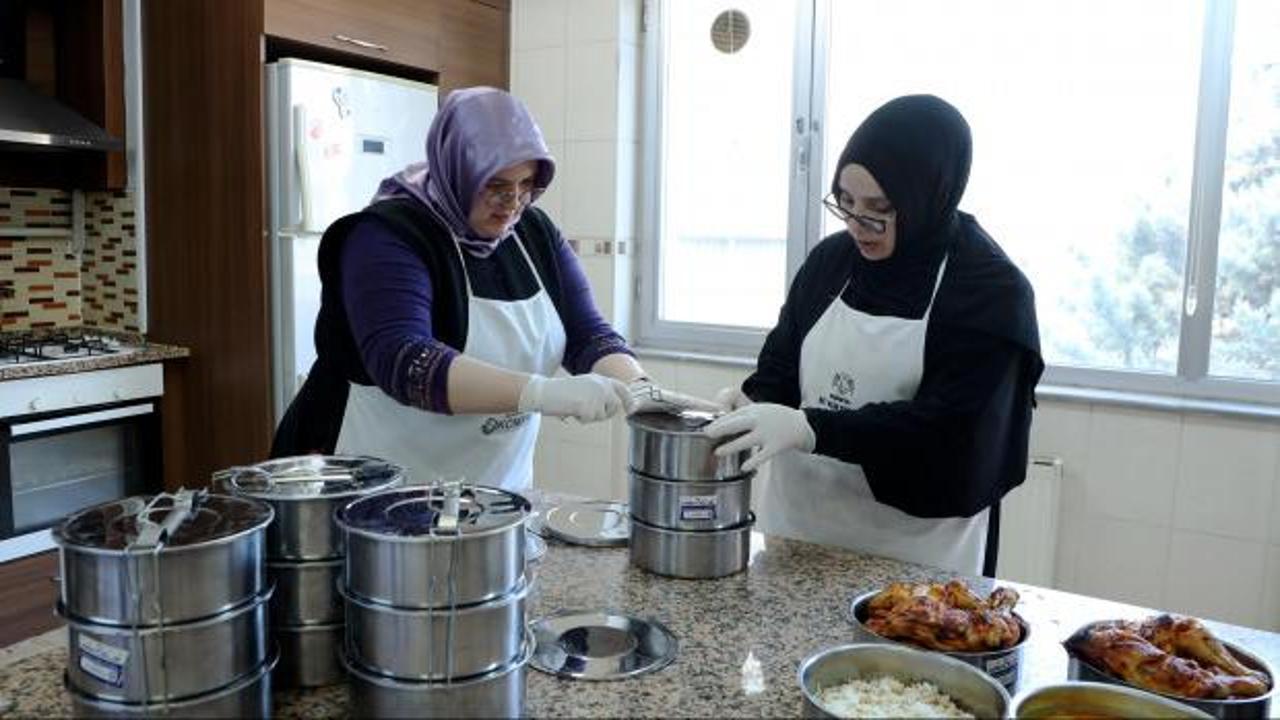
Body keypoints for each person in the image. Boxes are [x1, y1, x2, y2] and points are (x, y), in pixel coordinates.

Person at [271, 87, 709, 489]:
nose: (512, 204)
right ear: (457, 169)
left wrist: (639, 387)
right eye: (496, 187)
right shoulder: (387, 237)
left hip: (492, 495)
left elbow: (587, 333)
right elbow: (404, 361)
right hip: (377, 485)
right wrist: (539, 392)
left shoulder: (533, 233)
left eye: (526, 186)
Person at [705, 94, 1043, 576]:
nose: (857, 225)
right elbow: (781, 367)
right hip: (800, 532)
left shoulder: (988, 291)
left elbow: (950, 431)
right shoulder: (831, 263)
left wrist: (812, 428)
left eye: (879, 208)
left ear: (928, 194)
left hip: (915, 556)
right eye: (845, 202)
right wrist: (748, 401)